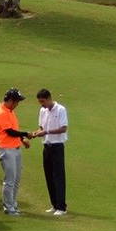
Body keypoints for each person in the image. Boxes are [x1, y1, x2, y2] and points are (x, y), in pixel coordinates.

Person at [0, 88, 31, 215]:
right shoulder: (1, 112)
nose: (17, 104)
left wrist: (22, 139)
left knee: (16, 179)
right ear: (10, 100)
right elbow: (9, 131)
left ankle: (13, 205)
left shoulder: (10, 111)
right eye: (16, 101)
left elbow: (14, 130)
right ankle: (8, 207)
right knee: (10, 180)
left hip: (15, 148)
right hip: (6, 150)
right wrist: (26, 133)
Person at [32, 88, 68, 216]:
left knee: (58, 176)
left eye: (43, 101)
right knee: (49, 176)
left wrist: (46, 132)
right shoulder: (42, 110)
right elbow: (41, 127)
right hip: (46, 146)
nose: (41, 104)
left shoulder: (61, 109)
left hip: (57, 146)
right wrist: (36, 133)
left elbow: (63, 128)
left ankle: (62, 207)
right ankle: (54, 204)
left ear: (48, 98)